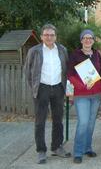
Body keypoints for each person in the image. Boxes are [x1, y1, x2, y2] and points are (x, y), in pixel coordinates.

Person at [24, 24, 71, 164]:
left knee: (58, 120)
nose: (49, 37)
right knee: (40, 121)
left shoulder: (62, 50)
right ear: (42, 36)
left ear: (56, 36)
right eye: (46, 35)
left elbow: (66, 69)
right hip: (41, 88)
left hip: (58, 88)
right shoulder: (34, 51)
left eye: (52, 35)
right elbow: (28, 71)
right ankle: (41, 150)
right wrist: (34, 87)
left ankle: (57, 147)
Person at [67, 29, 101, 164]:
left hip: (96, 94)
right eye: (85, 38)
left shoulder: (97, 55)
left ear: (93, 40)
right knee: (83, 122)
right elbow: (70, 74)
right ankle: (78, 152)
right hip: (81, 94)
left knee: (91, 123)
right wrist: (82, 85)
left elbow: (100, 73)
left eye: (90, 38)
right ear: (81, 40)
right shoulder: (75, 55)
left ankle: (87, 147)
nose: (88, 40)